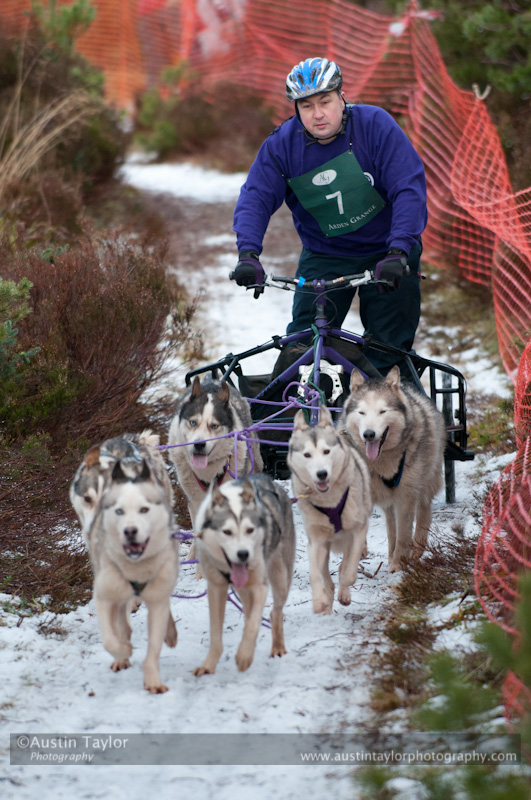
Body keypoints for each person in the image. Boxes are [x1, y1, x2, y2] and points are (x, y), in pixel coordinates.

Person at [231, 56, 428, 376]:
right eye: (306, 106)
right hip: (325, 255)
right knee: (302, 346)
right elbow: (255, 197)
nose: (318, 114)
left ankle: (390, 416)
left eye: (325, 101)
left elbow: (409, 189)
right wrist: (248, 253)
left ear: (342, 97)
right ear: (296, 109)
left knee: (387, 351)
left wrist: (399, 249)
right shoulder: (281, 145)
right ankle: (295, 417)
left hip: (388, 251)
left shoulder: (376, 126)